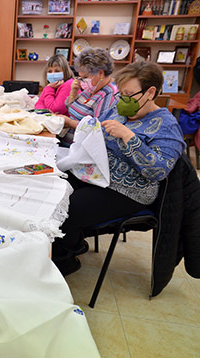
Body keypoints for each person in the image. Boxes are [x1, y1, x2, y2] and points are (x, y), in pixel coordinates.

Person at [52, 61, 186, 275]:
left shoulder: (167, 126)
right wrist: (80, 125)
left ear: (150, 92)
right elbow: (97, 127)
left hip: (128, 191)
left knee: (67, 209)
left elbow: (158, 171)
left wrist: (129, 136)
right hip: (97, 175)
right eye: (120, 94)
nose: (123, 101)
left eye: (129, 95)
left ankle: (65, 257)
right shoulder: (119, 110)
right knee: (51, 188)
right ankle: (72, 242)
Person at [61, 47, 119, 147]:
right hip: (68, 144)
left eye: (85, 77)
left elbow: (97, 130)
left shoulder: (110, 95)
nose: (82, 81)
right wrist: (73, 93)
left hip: (82, 151)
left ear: (101, 73)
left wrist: (70, 122)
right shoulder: (93, 88)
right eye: (80, 77)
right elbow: (73, 110)